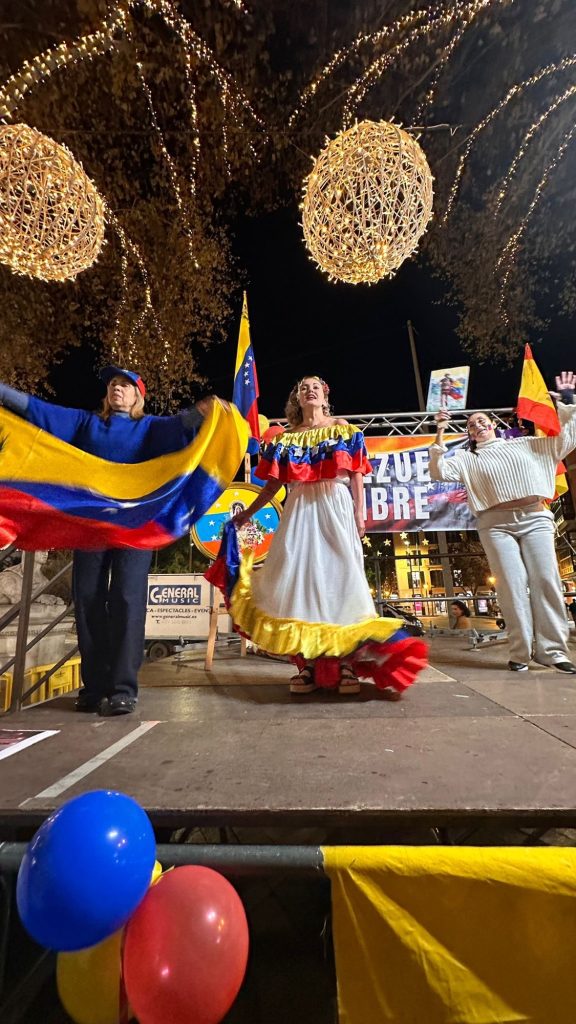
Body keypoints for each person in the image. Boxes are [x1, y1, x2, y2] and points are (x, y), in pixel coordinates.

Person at [0, 366, 219, 715]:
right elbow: (39, 410)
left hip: (135, 527)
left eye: (126, 385)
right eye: (113, 384)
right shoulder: (86, 423)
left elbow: (181, 425)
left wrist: (207, 410)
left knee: (127, 600)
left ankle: (123, 689)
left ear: (137, 397)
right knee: (87, 598)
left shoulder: (149, 427)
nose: (117, 388)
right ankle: (94, 686)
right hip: (91, 526)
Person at [224, 375, 428, 696]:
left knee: (342, 578)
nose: (309, 391)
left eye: (315, 387)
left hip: (335, 503)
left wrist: (359, 512)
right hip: (300, 507)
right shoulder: (287, 438)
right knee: (299, 580)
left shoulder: (342, 428)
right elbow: (274, 484)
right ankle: (306, 664)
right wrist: (247, 513)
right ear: (298, 398)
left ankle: (346, 662)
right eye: (303, 388)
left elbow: (357, 473)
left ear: (325, 395)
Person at [430, 371, 576, 673]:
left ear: (493, 425)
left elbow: (566, 440)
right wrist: (440, 432)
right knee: (511, 585)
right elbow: (438, 470)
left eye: (482, 420)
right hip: (495, 524)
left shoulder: (525, 444)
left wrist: (567, 403)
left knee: (546, 580)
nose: (477, 425)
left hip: (535, 517)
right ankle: (521, 652)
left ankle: (552, 652)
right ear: (470, 434)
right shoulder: (466, 458)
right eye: (471, 425)